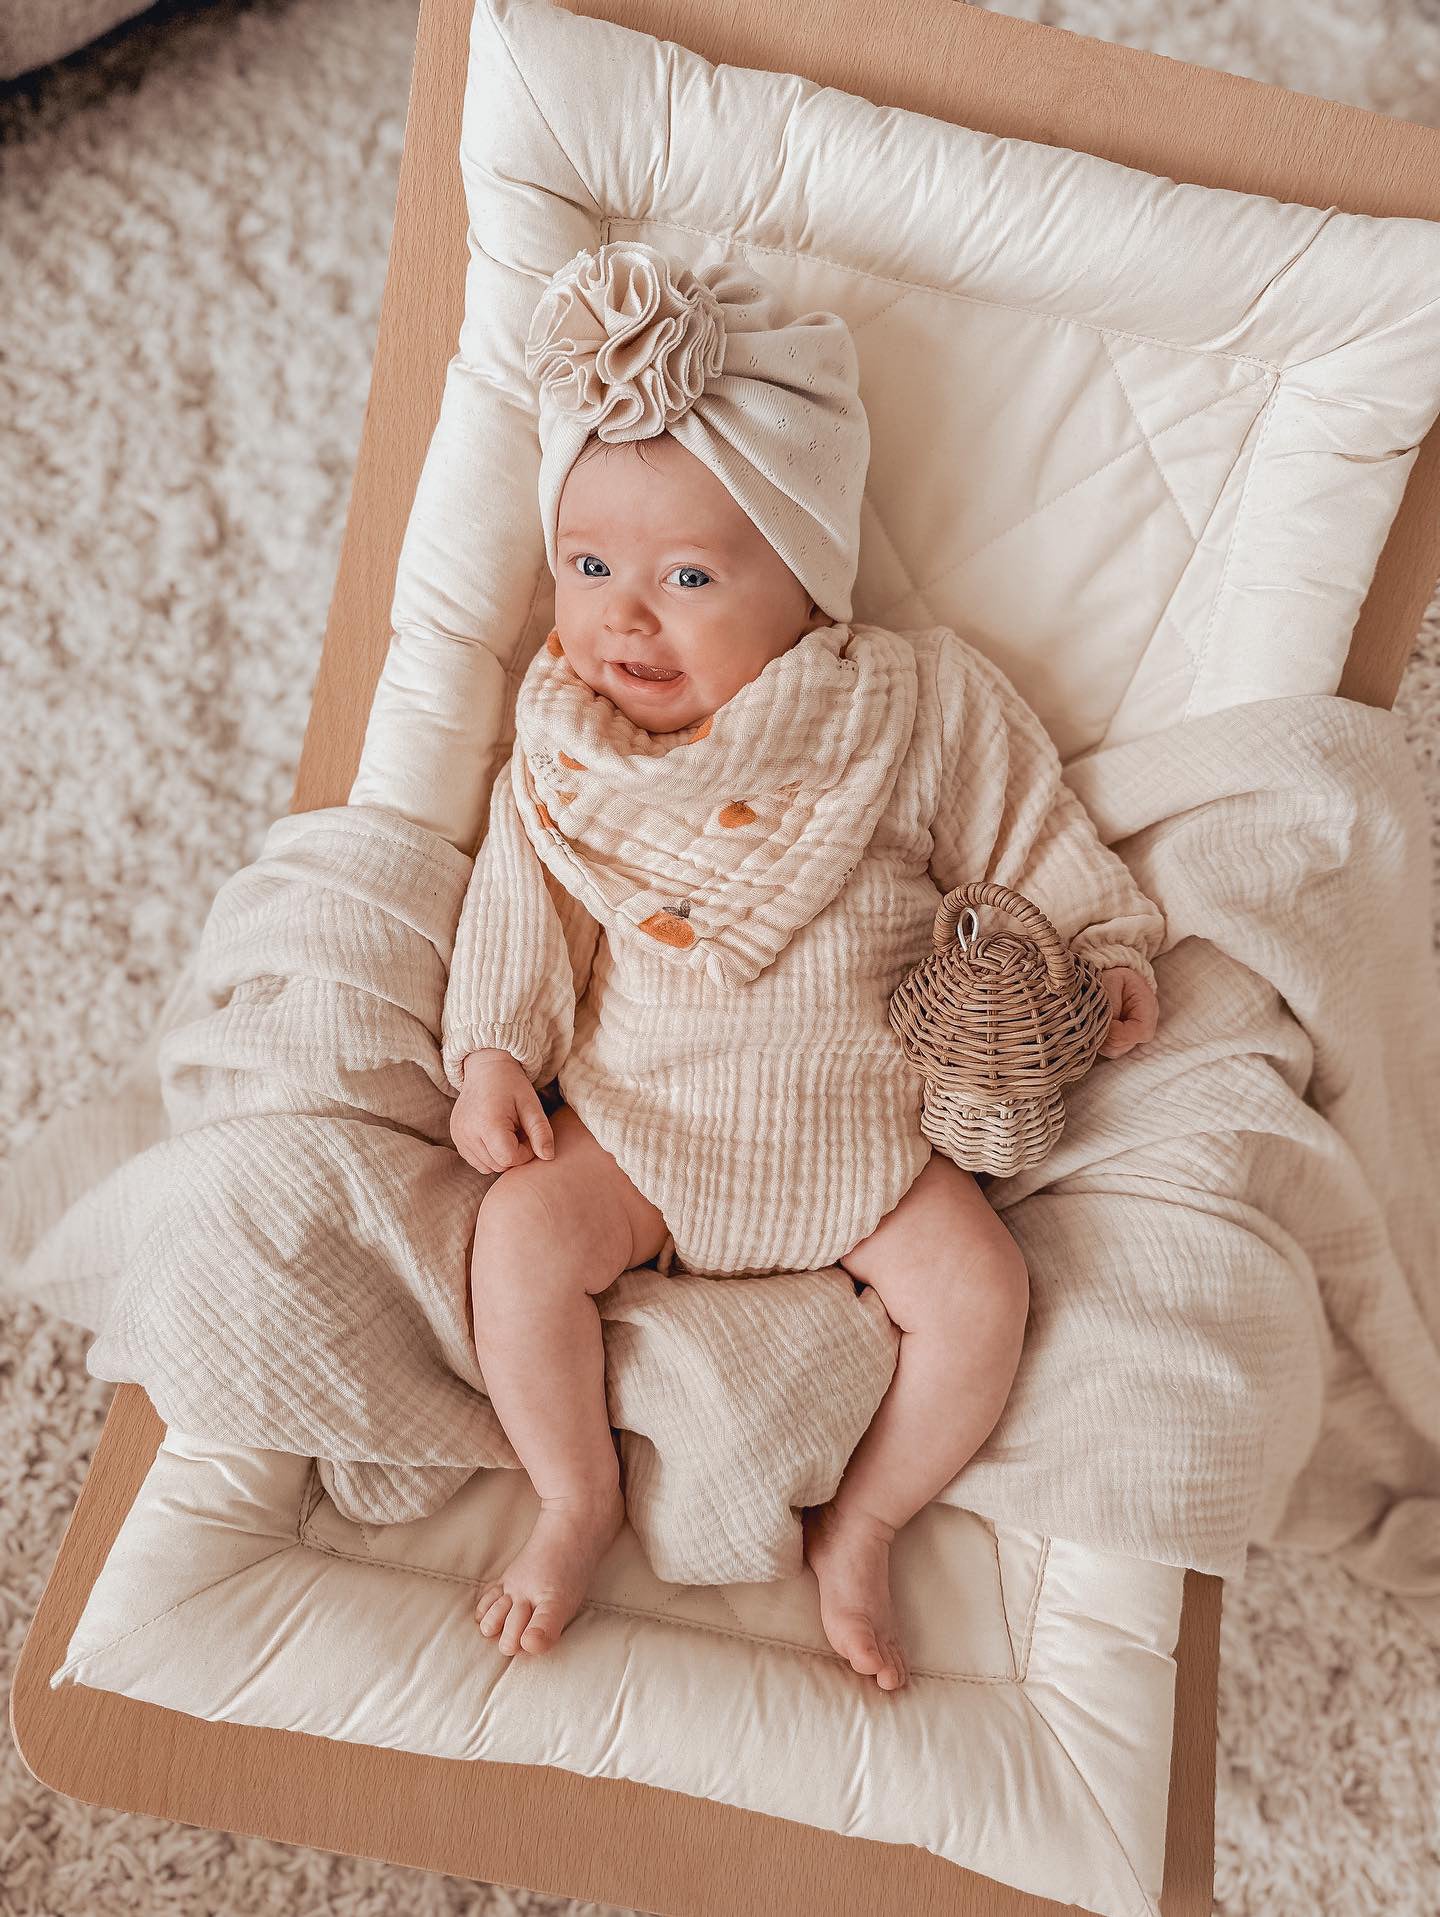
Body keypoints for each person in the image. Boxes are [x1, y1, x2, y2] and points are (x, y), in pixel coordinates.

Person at [442, 241, 1163, 1693]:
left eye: (688, 575)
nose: (623, 615)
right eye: (588, 566)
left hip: (869, 1141)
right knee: (518, 1240)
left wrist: (1101, 946)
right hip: (643, 1130)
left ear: (810, 577)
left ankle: (866, 1524)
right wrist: (496, 1052)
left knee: (981, 1295)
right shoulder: (571, 748)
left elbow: (1027, 832)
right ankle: (574, 1495)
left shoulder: (907, 702)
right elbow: (526, 901)